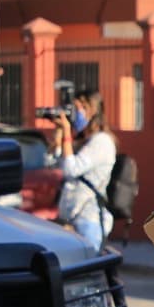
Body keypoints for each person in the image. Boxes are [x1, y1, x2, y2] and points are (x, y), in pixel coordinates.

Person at [53, 89, 116, 251]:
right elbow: (53, 163)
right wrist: (59, 135)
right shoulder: (84, 141)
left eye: (78, 109)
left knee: (87, 274)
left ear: (92, 110)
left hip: (88, 221)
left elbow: (70, 169)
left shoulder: (102, 142)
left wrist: (67, 134)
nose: (74, 115)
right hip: (70, 219)